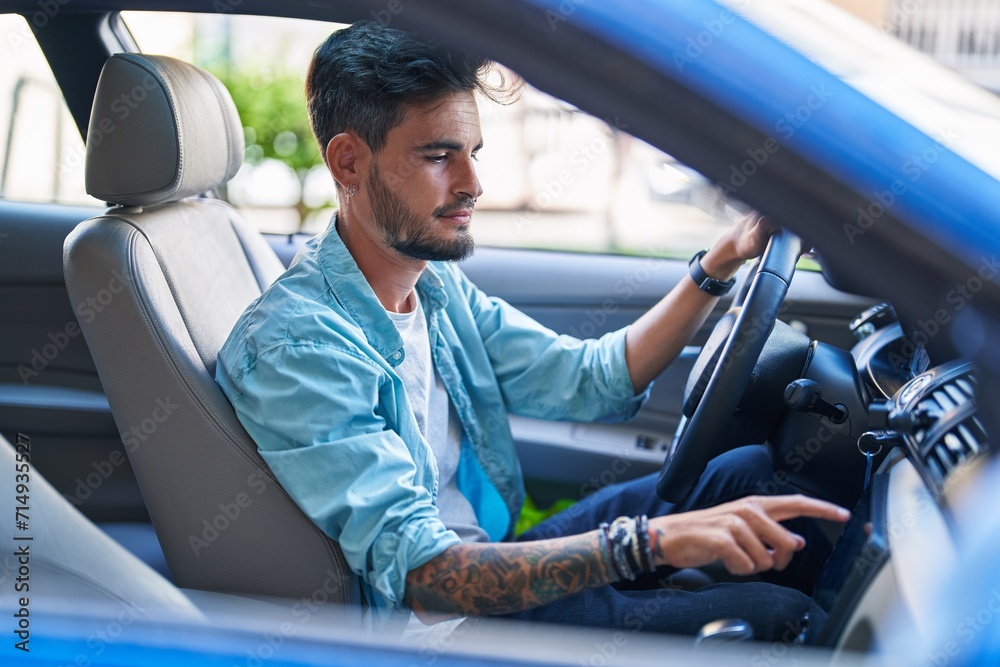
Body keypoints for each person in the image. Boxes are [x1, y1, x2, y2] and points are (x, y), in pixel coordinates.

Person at [215, 21, 849, 640]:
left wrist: (720, 260)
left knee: (748, 474)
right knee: (781, 620)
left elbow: (590, 381)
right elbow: (425, 576)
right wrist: (649, 545)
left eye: (473, 153)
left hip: (493, 551)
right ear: (349, 162)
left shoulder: (433, 288)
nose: (473, 184)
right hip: (449, 626)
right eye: (438, 156)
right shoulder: (298, 348)